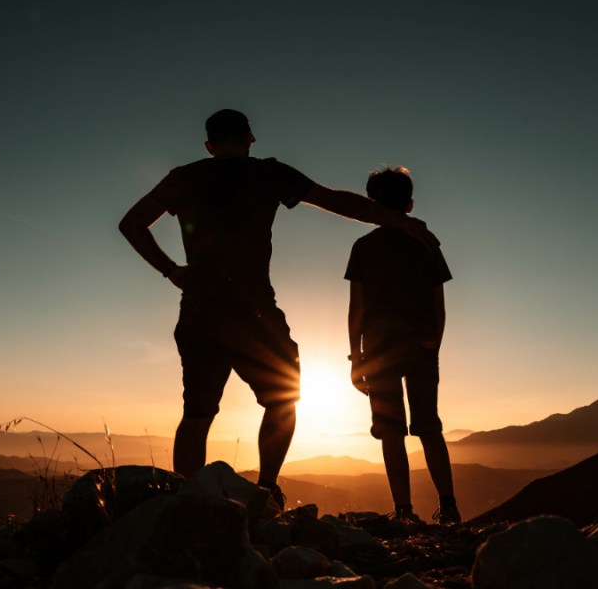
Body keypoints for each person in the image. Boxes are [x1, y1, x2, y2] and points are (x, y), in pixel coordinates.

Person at [119, 109, 438, 507]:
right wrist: (400, 222)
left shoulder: (183, 177)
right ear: (250, 138)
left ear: (209, 145)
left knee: (198, 414)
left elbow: (131, 223)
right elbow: (333, 200)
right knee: (283, 400)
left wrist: (171, 271)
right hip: (254, 311)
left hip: (200, 310)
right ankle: (266, 490)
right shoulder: (268, 173)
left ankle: (190, 502)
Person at [345, 166, 461, 524]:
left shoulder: (363, 247)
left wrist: (356, 358)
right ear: (409, 203)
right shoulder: (426, 243)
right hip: (421, 342)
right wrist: (433, 347)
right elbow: (439, 307)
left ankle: (404, 511)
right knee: (429, 426)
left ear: (371, 205)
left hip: (378, 346)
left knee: (390, 430)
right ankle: (449, 507)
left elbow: (356, 310)